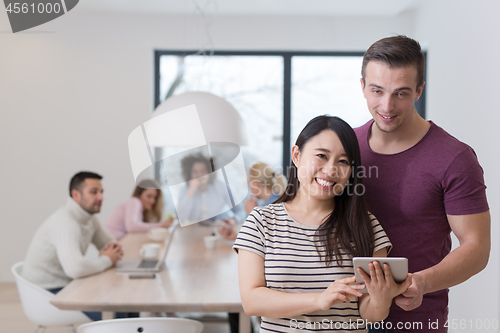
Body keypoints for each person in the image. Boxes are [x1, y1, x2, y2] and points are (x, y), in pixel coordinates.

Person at [355, 35, 490, 333]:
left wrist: (423, 281)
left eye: (401, 93)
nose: (387, 106)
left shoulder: (454, 157)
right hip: (338, 320)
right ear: (362, 86)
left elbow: (477, 247)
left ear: (419, 90)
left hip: (415, 322)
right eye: (377, 91)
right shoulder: (343, 149)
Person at [233, 115, 412, 333]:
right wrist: (319, 300)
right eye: (321, 156)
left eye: (343, 161)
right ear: (296, 156)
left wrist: (381, 299)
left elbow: (369, 313)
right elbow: (252, 301)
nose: (330, 170)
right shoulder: (261, 222)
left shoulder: (366, 225)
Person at [22, 171, 123, 321]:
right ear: (76, 195)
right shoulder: (65, 222)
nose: (101, 197)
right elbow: (76, 268)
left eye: (101, 192)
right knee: (121, 312)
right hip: (46, 294)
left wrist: (111, 253)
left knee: (123, 305)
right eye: (94, 192)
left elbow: (112, 246)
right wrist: (107, 260)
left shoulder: (89, 219)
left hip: (67, 286)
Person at [218, 162, 287, 240]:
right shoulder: (277, 200)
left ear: (256, 184)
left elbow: (264, 244)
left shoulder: (270, 208)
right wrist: (237, 237)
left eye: (249, 183)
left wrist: (252, 214)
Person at [176, 153, 237, 224]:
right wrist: (190, 192)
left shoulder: (222, 187)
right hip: (193, 230)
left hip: (217, 228)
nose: (199, 175)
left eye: (203, 171)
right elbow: (180, 218)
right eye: (195, 172)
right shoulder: (185, 190)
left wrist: (234, 220)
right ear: (190, 173)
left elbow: (240, 211)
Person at [104, 179, 173, 240]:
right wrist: (160, 225)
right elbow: (132, 227)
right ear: (139, 194)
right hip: (111, 243)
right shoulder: (135, 201)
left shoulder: (139, 209)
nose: (153, 201)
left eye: (155, 198)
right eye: (149, 196)